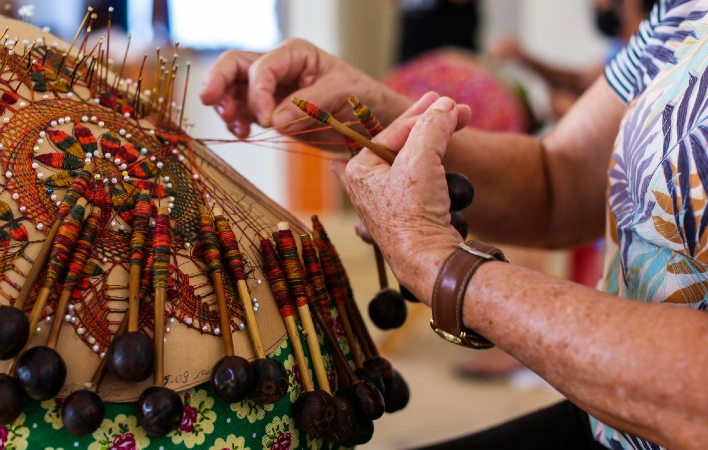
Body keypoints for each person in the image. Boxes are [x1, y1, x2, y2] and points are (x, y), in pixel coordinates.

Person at [200, 0, 708, 448]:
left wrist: (443, 266)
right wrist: (363, 108)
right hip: (612, 422)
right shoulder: (680, 13)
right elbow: (560, 181)